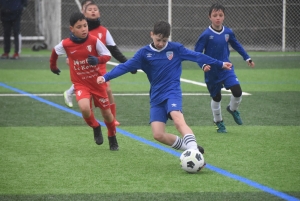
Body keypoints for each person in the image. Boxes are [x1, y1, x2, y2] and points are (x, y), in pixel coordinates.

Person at [97, 20, 232, 154]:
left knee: (177, 119)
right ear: (152, 34)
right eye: (158, 39)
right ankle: (192, 148)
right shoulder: (144, 54)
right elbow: (124, 67)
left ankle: (194, 153)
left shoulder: (176, 49)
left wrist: (220, 64)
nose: (161, 43)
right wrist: (105, 77)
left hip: (172, 91)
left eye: (164, 40)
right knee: (158, 134)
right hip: (156, 96)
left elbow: (197, 56)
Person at [49, 12, 119, 151]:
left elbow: (107, 55)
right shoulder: (66, 44)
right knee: (85, 109)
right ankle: (95, 126)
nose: (83, 29)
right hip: (81, 84)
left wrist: (98, 60)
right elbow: (54, 52)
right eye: (79, 27)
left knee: (107, 114)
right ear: (72, 29)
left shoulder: (93, 40)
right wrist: (53, 66)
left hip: (97, 82)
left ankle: (112, 135)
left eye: (85, 26)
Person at [63, 0, 137, 127]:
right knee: (88, 98)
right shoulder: (79, 31)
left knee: (107, 89)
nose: (92, 11)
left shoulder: (104, 31)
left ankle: (112, 119)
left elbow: (114, 50)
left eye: (95, 9)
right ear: (83, 13)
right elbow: (70, 48)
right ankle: (92, 120)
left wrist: (128, 64)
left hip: (99, 69)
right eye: (89, 9)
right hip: (83, 71)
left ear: (99, 13)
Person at [194, 3, 255, 133]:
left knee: (237, 91)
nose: (218, 18)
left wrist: (247, 57)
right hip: (211, 71)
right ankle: (218, 122)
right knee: (217, 98)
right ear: (209, 17)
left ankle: (232, 109)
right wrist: (203, 65)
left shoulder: (228, 32)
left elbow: (237, 45)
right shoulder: (205, 35)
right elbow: (197, 54)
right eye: (215, 15)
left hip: (226, 68)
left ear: (224, 17)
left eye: (220, 15)